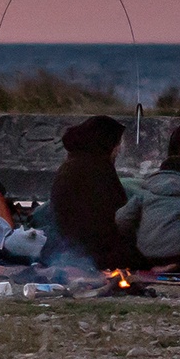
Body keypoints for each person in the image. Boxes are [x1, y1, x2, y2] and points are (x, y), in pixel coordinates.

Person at [47, 115, 139, 270]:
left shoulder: (72, 164)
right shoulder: (97, 169)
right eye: (117, 144)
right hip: (91, 253)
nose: (118, 150)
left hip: (65, 250)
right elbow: (112, 218)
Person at [116, 164, 180, 271]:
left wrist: (134, 235)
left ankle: (154, 267)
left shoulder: (143, 196)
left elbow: (121, 219)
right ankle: (176, 266)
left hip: (148, 255)